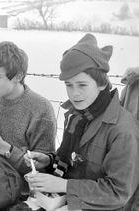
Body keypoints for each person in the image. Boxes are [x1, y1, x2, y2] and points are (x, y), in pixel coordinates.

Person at [24, 33, 139, 211]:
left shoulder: (122, 130)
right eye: (69, 85)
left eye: (82, 85)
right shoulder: (77, 116)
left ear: (101, 84)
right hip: (66, 203)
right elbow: (71, 159)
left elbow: (118, 193)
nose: (74, 93)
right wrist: (48, 161)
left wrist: (64, 186)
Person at [0, 41, 56, 175]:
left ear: (18, 76)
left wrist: (4, 148)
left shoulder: (41, 110)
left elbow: (42, 169)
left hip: (20, 186)